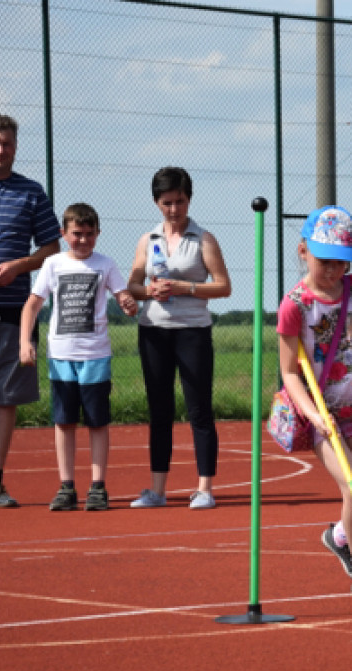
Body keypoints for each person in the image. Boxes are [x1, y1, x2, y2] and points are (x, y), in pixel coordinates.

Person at [277, 205, 352, 599]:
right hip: (321, 417)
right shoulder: (295, 304)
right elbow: (291, 373)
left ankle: (341, 535)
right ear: (303, 251)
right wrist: (314, 414)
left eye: (340, 263)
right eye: (324, 260)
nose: (332, 270)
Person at [19, 203, 138, 511]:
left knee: (97, 422)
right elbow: (32, 305)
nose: (83, 241)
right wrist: (25, 341)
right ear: (63, 233)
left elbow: (122, 294)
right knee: (64, 422)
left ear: (98, 233)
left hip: (95, 356)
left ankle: (98, 486)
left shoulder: (106, 264)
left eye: (89, 234)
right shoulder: (53, 264)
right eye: (76, 234)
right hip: (60, 355)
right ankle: (66, 486)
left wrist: (126, 301)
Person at [126, 167, 231, 509]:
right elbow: (133, 285)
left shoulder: (204, 239)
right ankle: (157, 490)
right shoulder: (148, 240)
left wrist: (186, 288)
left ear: (189, 199)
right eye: (167, 202)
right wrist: (146, 291)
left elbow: (223, 286)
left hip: (193, 333)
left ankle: (205, 488)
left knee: (198, 409)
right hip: (153, 332)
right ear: (156, 202)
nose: (174, 209)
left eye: (180, 201)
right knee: (160, 410)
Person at [0, 113, 62, 507]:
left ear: (15, 147)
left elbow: (51, 248)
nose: (0, 150)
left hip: (13, 312)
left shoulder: (31, 193)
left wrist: (18, 266)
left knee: (5, 399)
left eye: (7, 143)